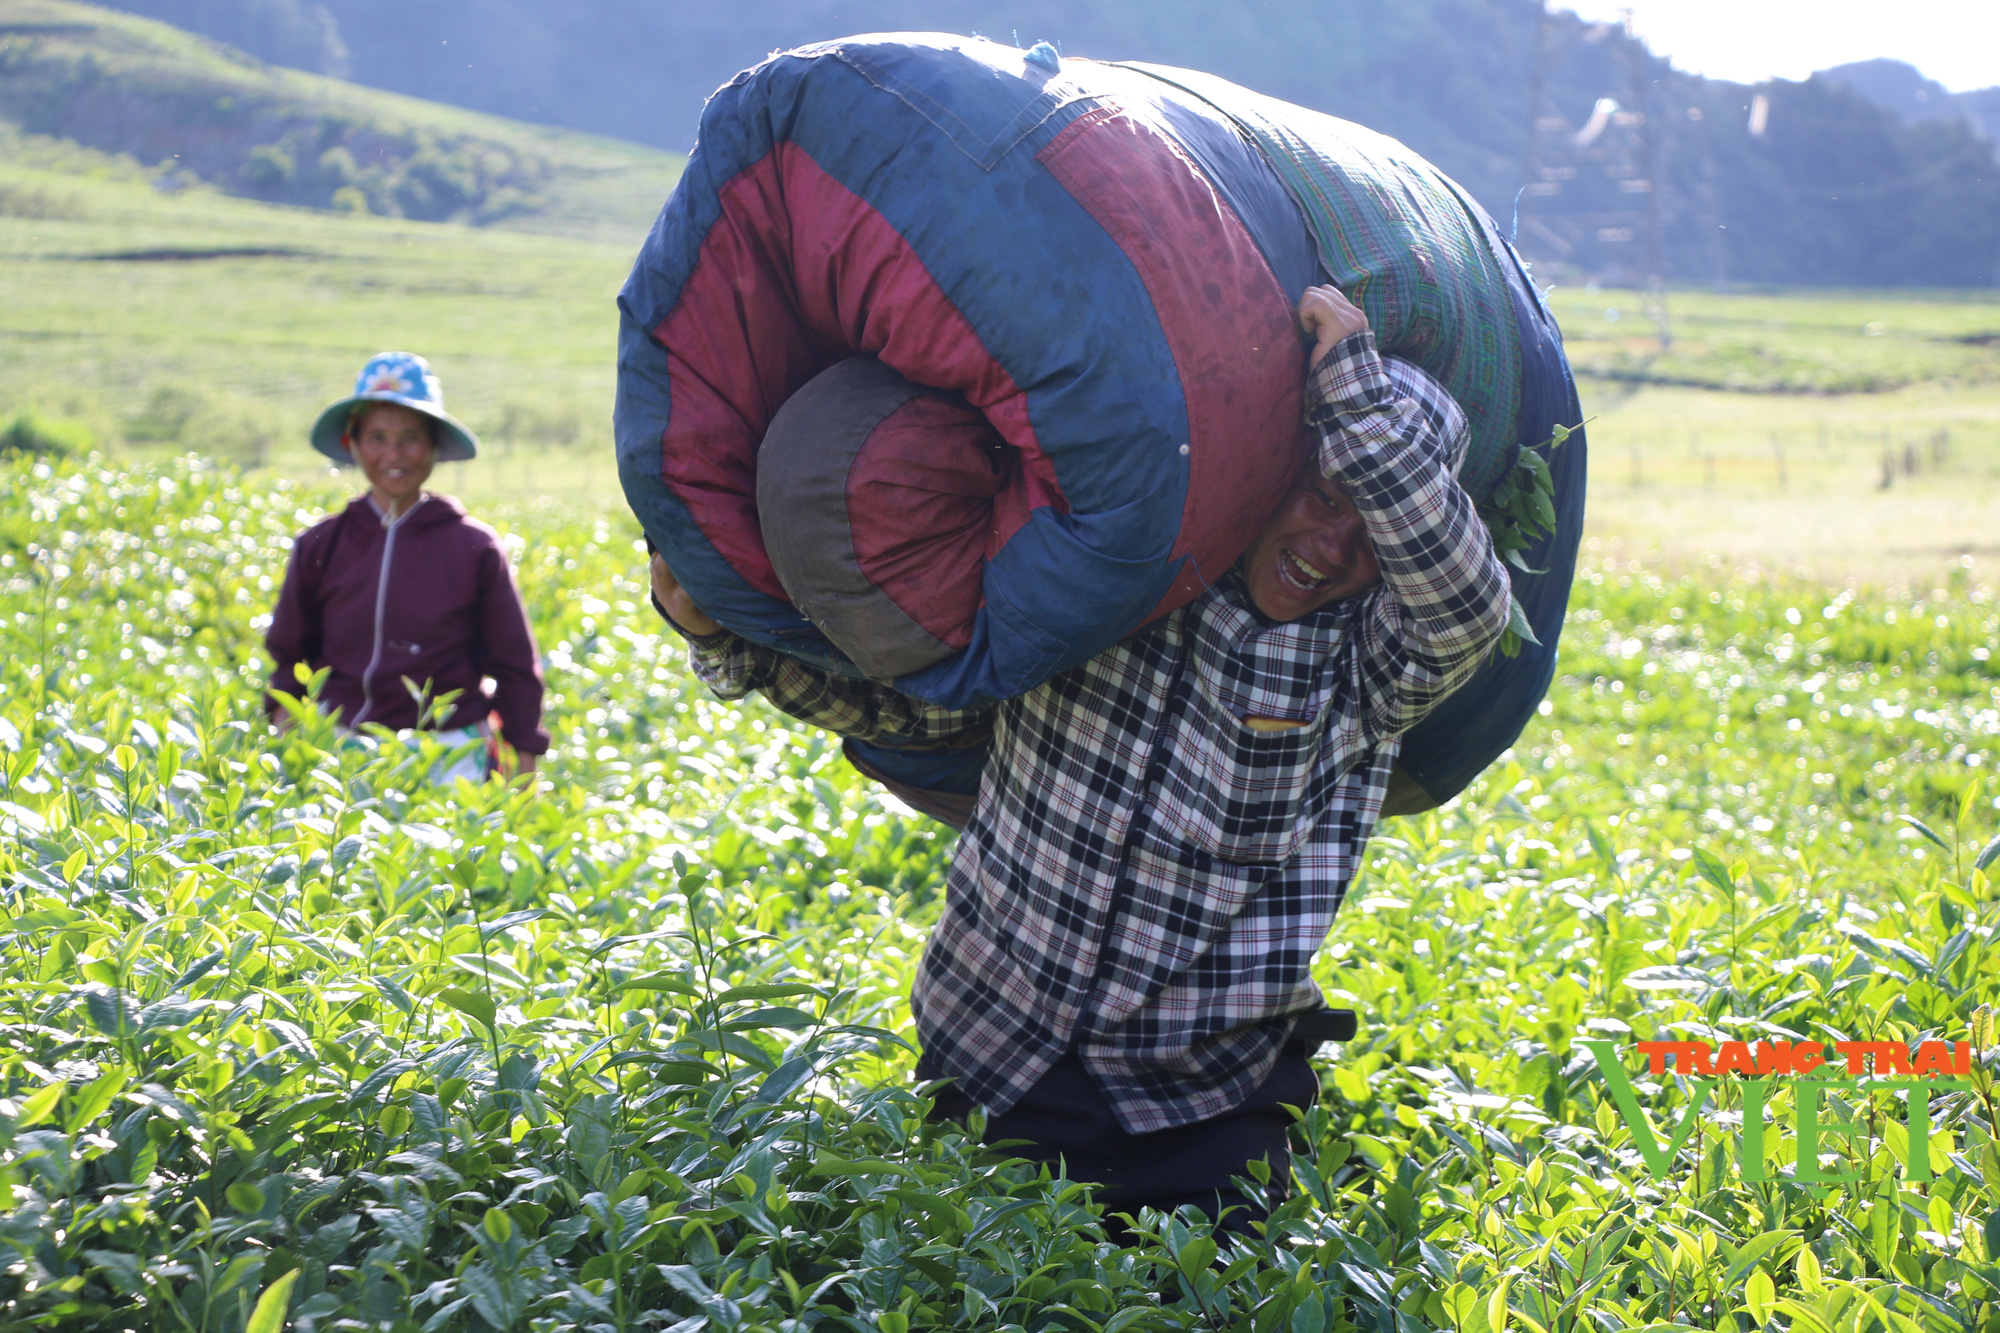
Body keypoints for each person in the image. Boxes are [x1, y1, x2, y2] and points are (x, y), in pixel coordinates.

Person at [650, 287, 1510, 1232]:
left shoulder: (1371, 665)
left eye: (1373, 531)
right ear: (1271, 469)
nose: (1333, 545)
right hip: (990, 1047)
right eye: (1324, 493)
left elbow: (1468, 601)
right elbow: (922, 706)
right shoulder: (1125, 566)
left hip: (1202, 1097)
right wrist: (731, 642)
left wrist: (1349, 395)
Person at [266, 352, 549, 782]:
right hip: (339, 750)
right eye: (377, 437)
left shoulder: (473, 547)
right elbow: (289, 654)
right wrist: (288, 738)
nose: (393, 454)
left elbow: (514, 666)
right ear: (353, 444)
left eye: (411, 437)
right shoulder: (321, 544)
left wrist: (524, 762)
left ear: (434, 444)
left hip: (450, 754)